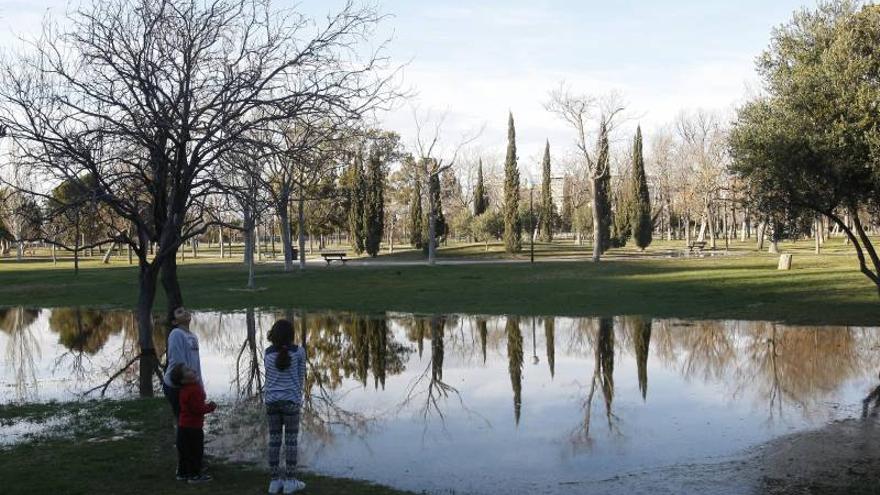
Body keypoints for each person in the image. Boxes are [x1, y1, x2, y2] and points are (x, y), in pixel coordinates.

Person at [264, 319, 307, 494]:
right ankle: (290, 481)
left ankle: (274, 482)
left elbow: (268, 376)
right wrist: (297, 396)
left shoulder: (267, 353)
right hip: (291, 402)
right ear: (291, 335)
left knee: (274, 441)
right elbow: (300, 376)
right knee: (290, 442)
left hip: (271, 402)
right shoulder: (299, 352)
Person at [161, 307, 202, 480]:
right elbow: (179, 365)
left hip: (190, 384)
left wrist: (200, 385)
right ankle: (184, 467)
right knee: (185, 426)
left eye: (185, 310)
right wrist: (189, 386)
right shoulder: (176, 334)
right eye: (178, 312)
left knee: (191, 425)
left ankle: (191, 463)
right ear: (174, 321)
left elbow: (195, 363)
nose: (184, 312)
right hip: (178, 385)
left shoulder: (192, 336)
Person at [171, 364, 217, 483]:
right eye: (187, 370)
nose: (192, 370)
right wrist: (211, 407)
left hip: (182, 426)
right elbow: (198, 409)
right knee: (196, 452)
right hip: (193, 427)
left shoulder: (184, 389)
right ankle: (194, 476)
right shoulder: (194, 389)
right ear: (183, 380)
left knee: (185, 452)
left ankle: (182, 473)